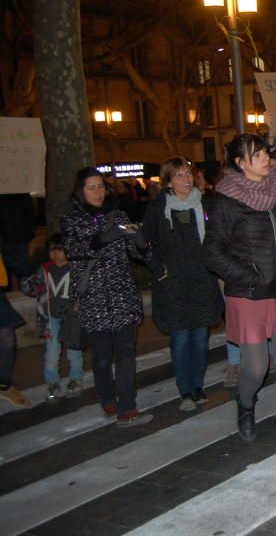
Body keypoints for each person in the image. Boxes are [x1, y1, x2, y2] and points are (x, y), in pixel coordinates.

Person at [203, 134, 276, 458]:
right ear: (240, 163)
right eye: (256, 154)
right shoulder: (225, 200)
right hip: (249, 295)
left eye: (264, 151)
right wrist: (249, 275)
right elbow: (212, 252)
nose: (265, 157)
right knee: (256, 368)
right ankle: (245, 403)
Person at [61, 167, 153, 426]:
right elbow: (73, 250)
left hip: (122, 293)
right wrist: (102, 238)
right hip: (93, 298)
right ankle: (107, 397)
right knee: (102, 356)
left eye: (101, 186)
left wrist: (140, 242)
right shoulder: (71, 221)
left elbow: (140, 255)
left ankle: (128, 404)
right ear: (80, 191)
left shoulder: (119, 215)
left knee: (125, 352)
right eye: (91, 187)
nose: (98, 192)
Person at [143, 158, 224, 412]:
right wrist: (159, 269)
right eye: (179, 176)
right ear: (168, 181)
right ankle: (185, 389)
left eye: (188, 174)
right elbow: (144, 245)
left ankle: (198, 385)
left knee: (200, 337)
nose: (186, 180)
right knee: (180, 337)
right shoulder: (158, 209)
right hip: (173, 284)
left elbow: (218, 236)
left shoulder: (205, 203)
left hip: (201, 279)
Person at [21, 234, 83, 400]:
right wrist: (34, 283)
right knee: (51, 353)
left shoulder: (76, 269)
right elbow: (28, 288)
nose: (55, 253)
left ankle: (76, 378)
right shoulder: (45, 269)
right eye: (52, 250)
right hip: (51, 319)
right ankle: (52, 381)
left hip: (72, 319)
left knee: (74, 350)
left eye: (60, 249)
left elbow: (86, 291)